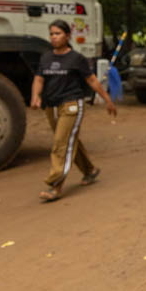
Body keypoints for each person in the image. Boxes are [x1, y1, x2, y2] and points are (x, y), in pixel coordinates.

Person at [30, 20, 116, 202]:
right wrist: (35, 96)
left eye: (58, 34)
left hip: (71, 105)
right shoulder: (45, 57)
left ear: (68, 36)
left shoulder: (76, 58)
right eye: (52, 34)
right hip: (51, 106)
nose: (54, 37)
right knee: (69, 140)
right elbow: (39, 79)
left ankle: (55, 185)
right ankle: (90, 170)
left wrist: (107, 99)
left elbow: (92, 80)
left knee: (61, 144)